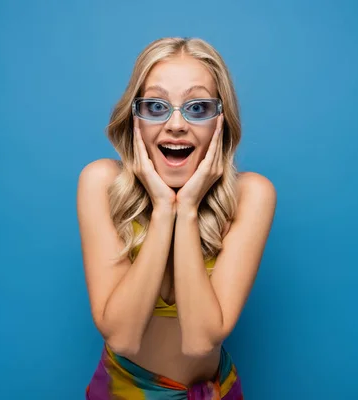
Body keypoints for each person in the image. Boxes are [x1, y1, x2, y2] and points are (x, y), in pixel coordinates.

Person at [77, 37, 277, 399]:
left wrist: (185, 209)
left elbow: (201, 340)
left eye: (197, 108)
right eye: (156, 106)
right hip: (122, 392)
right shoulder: (101, 182)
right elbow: (121, 336)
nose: (176, 125)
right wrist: (162, 209)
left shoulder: (253, 194)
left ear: (221, 121)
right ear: (134, 116)